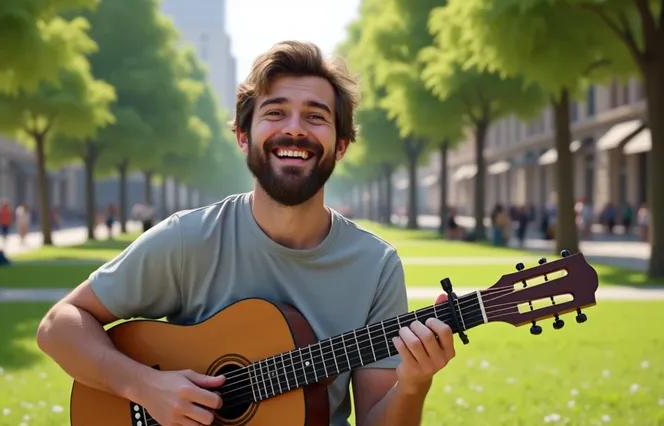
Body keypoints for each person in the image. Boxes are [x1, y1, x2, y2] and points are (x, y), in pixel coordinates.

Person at [36, 41, 455, 426]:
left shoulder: (375, 266)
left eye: (315, 116)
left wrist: (414, 383)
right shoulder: (190, 239)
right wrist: (143, 386)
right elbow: (59, 326)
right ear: (242, 136)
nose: (295, 129)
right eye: (275, 112)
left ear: (341, 145)